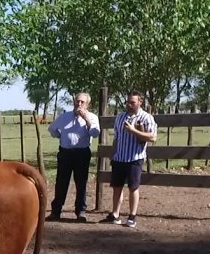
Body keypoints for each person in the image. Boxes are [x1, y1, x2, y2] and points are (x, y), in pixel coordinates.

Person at [102, 91, 157, 229]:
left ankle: (132, 216)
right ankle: (115, 214)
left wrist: (134, 131)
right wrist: (113, 154)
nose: (129, 105)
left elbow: (152, 137)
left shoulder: (146, 117)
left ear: (140, 102)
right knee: (117, 187)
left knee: (133, 187)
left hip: (135, 158)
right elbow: (116, 137)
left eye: (133, 102)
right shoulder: (120, 117)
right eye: (128, 102)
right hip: (119, 157)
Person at [46, 93, 101, 222]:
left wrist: (86, 119)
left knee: (81, 183)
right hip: (66, 153)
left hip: (82, 153)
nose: (79, 104)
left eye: (82, 102)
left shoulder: (92, 117)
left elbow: (95, 133)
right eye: (77, 101)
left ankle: (81, 211)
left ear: (88, 104)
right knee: (61, 182)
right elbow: (52, 129)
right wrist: (61, 137)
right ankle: (56, 211)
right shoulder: (65, 117)